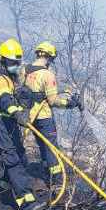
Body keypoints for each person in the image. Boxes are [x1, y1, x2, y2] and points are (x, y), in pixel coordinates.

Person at [0, 38, 45, 210]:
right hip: (2, 124)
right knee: (12, 159)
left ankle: (5, 186)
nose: (15, 65)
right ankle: (27, 203)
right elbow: (5, 100)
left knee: (20, 156)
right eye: (12, 62)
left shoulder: (9, 79)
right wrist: (17, 113)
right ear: (3, 60)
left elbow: (15, 98)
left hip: (10, 123)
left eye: (17, 62)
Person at [21, 41, 82, 185]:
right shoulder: (48, 75)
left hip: (29, 116)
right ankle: (56, 181)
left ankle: (45, 169)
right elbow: (53, 100)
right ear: (49, 57)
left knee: (42, 144)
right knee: (51, 147)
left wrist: (61, 89)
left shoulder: (25, 70)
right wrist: (70, 103)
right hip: (44, 117)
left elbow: (34, 92)